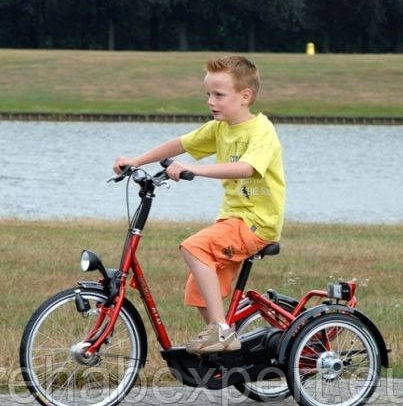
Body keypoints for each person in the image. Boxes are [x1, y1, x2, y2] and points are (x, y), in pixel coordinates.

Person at [113, 55, 285, 354]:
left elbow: (246, 168)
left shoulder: (261, 131)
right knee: (198, 287)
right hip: (232, 221)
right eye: (208, 94)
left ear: (245, 96)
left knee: (194, 247)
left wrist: (195, 170)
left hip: (258, 223)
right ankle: (224, 345)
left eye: (219, 95)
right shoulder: (220, 128)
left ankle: (222, 331)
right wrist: (136, 161)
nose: (210, 101)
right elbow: (180, 144)